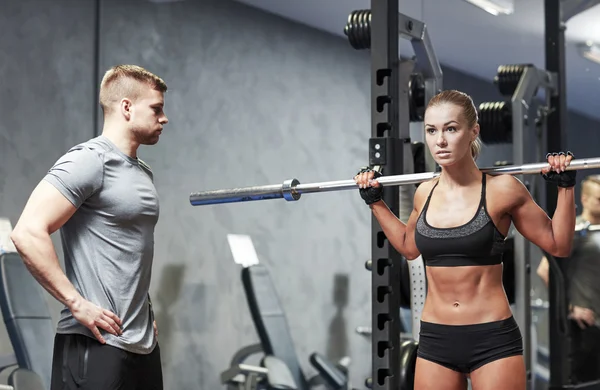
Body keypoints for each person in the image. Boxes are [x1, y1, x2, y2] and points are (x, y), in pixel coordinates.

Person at [354, 89, 576, 390]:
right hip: (435, 338)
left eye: (451, 128)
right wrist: (376, 203)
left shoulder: (503, 189)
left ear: (473, 131)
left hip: (492, 338)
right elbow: (409, 247)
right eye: (431, 130)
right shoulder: (425, 191)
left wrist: (565, 188)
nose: (440, 141)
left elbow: (558, 244)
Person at [10, 64, 169, 390]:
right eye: (156, 109)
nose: (164, 118)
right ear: (126, 107)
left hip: (142, 346)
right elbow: (27, 231)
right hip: (94, 343)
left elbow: (130, 252)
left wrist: (144, 311)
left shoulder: (143, 172)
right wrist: (75, 302)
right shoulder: (89, 160)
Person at [536, 174, 600, 383]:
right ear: (585, 199)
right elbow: (545, 270)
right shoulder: (575, 230)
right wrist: (571, 309)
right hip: (586, 325)